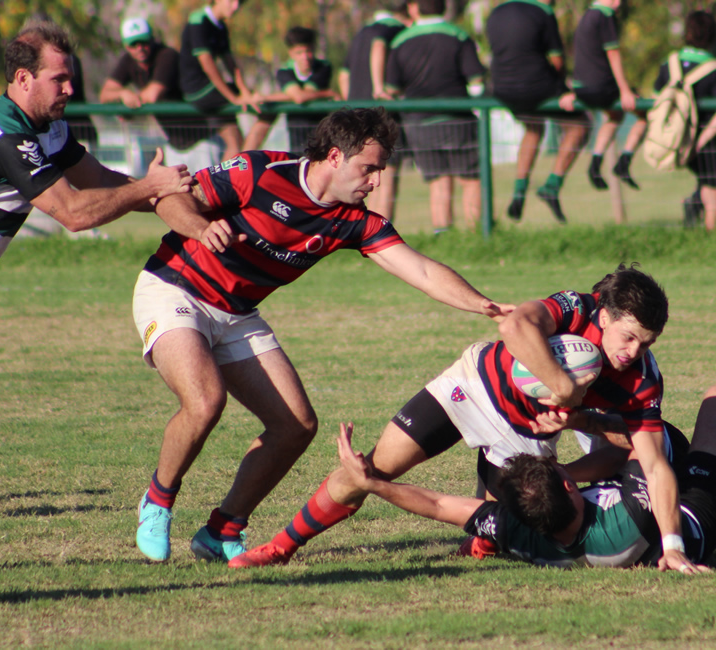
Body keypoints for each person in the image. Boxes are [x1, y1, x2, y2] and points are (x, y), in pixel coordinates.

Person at [131, 107, 514, 563]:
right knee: (205, 401)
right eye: (369, 168)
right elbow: (171, 198)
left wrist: (483, 304)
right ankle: (158, 501)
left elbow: (423, 271)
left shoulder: (354, 221)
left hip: (236, 312)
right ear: (334, 156)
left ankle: (222, 529)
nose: (376, 181)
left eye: (381, 170)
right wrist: (201, 227)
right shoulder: (258, 171)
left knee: (295, 425)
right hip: (174, 287)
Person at [230, 264, 698, 573]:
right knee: (372, 468)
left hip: (524, 438)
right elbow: (514, 325)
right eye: (629, 336)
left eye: (647, 343)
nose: (633, 351)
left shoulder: (641, 380)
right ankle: (282, 545)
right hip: (471, 387)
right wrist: (563, 386)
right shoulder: (577, 307)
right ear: (605, 313)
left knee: (504, 518)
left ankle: (480, 545)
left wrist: (673, 546)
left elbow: (654, 465)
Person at [0, 20, 191, 497]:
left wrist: (179, 196)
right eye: (59, 78)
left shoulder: (49, 128)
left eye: (70, 78)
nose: (70, 88)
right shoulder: (4, 129)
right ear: (23, 79)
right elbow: (74, 213)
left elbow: (100, 180)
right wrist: (150, 188)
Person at [334, 382, 716, 571]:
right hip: (688, 520)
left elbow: (440, 505)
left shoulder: (520, 531)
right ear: (568, 486)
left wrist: (373, 483)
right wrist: (582, 420)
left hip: (631, 518)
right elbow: (643, 447)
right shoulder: (628, 515)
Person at [384, 0, 485, 234]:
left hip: (418, 123)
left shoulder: (400, 41)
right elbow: (476, 79)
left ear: (415, 8)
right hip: (458, 120)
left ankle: (443, 235)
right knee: (470, 179)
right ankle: (477, 234)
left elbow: (392, 88)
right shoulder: (458, 35)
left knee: (438, 182)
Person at [487, 0, 588, 224]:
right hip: (538, 86)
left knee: (533, 129)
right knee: (579, 126)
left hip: (503, 88)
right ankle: (552, 185)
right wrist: (561, 87)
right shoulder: (543, 12)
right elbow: (557, 60)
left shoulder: (496, 13)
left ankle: (519, 190)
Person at [653, 11, 716, 231]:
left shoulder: (669, 63)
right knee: (714, 191)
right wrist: (699, 142)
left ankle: (695, 203)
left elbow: (657, 98)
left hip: (678, 139)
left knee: (705, 184)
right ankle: (710, 238)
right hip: (711, 142)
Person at [338, 3, 412, 221]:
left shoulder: (361, 32)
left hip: (355, 112)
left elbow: (344, 74)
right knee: (385, 176)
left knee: (359, 176)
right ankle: (380, 231)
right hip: (381, 114)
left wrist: (350, 101)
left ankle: (359, 228)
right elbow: (379, 46)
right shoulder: (393, 28)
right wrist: (379, 88)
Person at [100, 18, 208, 151]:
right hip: (175, 143)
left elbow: (153, 95)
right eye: (133, 44)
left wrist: (129, 106)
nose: (139, 48)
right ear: (126, 46)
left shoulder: (167, 55)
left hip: (203, 139)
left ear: (152, 39)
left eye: (144, 42)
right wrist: (123, 94)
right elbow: (105, 94)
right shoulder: (128, 61)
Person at [573, 0, 647, 191]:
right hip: (600, 88)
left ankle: (595, 164)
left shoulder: (587, 15)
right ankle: (624, 161)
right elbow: (613, 55)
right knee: (645, 114)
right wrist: (625, 90)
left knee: (615, 116)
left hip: (581, 88)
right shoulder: (605, 15)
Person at [179, 0, 259, 161]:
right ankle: (249, 156)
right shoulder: (198, 21)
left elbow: (230, 63)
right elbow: (207, 64)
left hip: (212, 90)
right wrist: (233, 97)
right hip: (197, 90)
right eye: (231, 1)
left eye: (239, 2)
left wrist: (244, 91)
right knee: (263, 105)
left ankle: (238, 167)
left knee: (236, 144)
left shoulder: (221, 26)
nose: (235, 7)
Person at [251, 27, 341, 154]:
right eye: (299, 53)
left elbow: (300, 97)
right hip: (297, 140)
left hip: (320, 137)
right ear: (291, 53)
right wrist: (327, 93)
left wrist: (266, 97)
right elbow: (299, 96)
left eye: (308, 51)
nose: (305, 57)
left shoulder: (323, 67)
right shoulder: (284, 70)